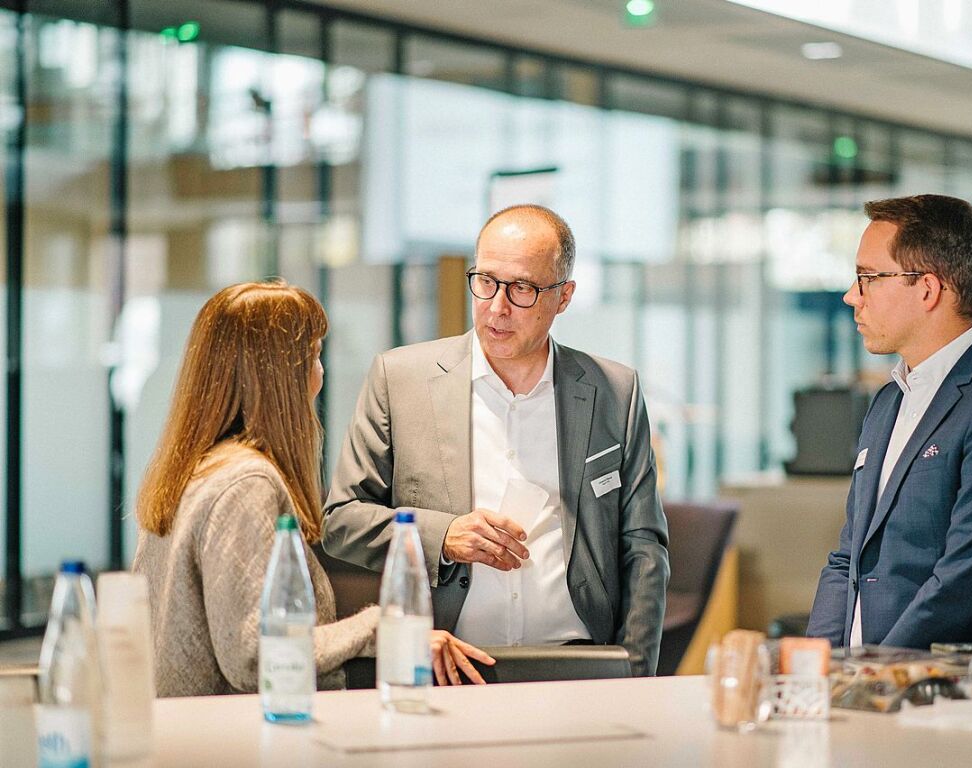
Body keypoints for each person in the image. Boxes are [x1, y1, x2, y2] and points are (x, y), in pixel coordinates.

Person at [323, 205, 669, 677]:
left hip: (578, 661)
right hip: (444, 661)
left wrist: (635, 667)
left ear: (563, 296)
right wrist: (442, 536)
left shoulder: (615, 391)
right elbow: (341, 520)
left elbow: (643, 545)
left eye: (522, 288)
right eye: (485, 281)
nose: (498, 307)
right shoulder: (399, 379)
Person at [133, 281, 492, 697]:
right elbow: (256, 655)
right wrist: (380, 625)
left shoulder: (190, 472)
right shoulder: (247, 484)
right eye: (315, 355)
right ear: (281, 374)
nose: (320, 373)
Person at [807, 194, 972, 649]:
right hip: (863, 690)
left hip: (945, 694)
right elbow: (848, 558)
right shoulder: (888, 400)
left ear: (927, 289)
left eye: (867, 278)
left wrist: (876, 675)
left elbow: (965, 584)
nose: (852, 296)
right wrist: (820, 666)